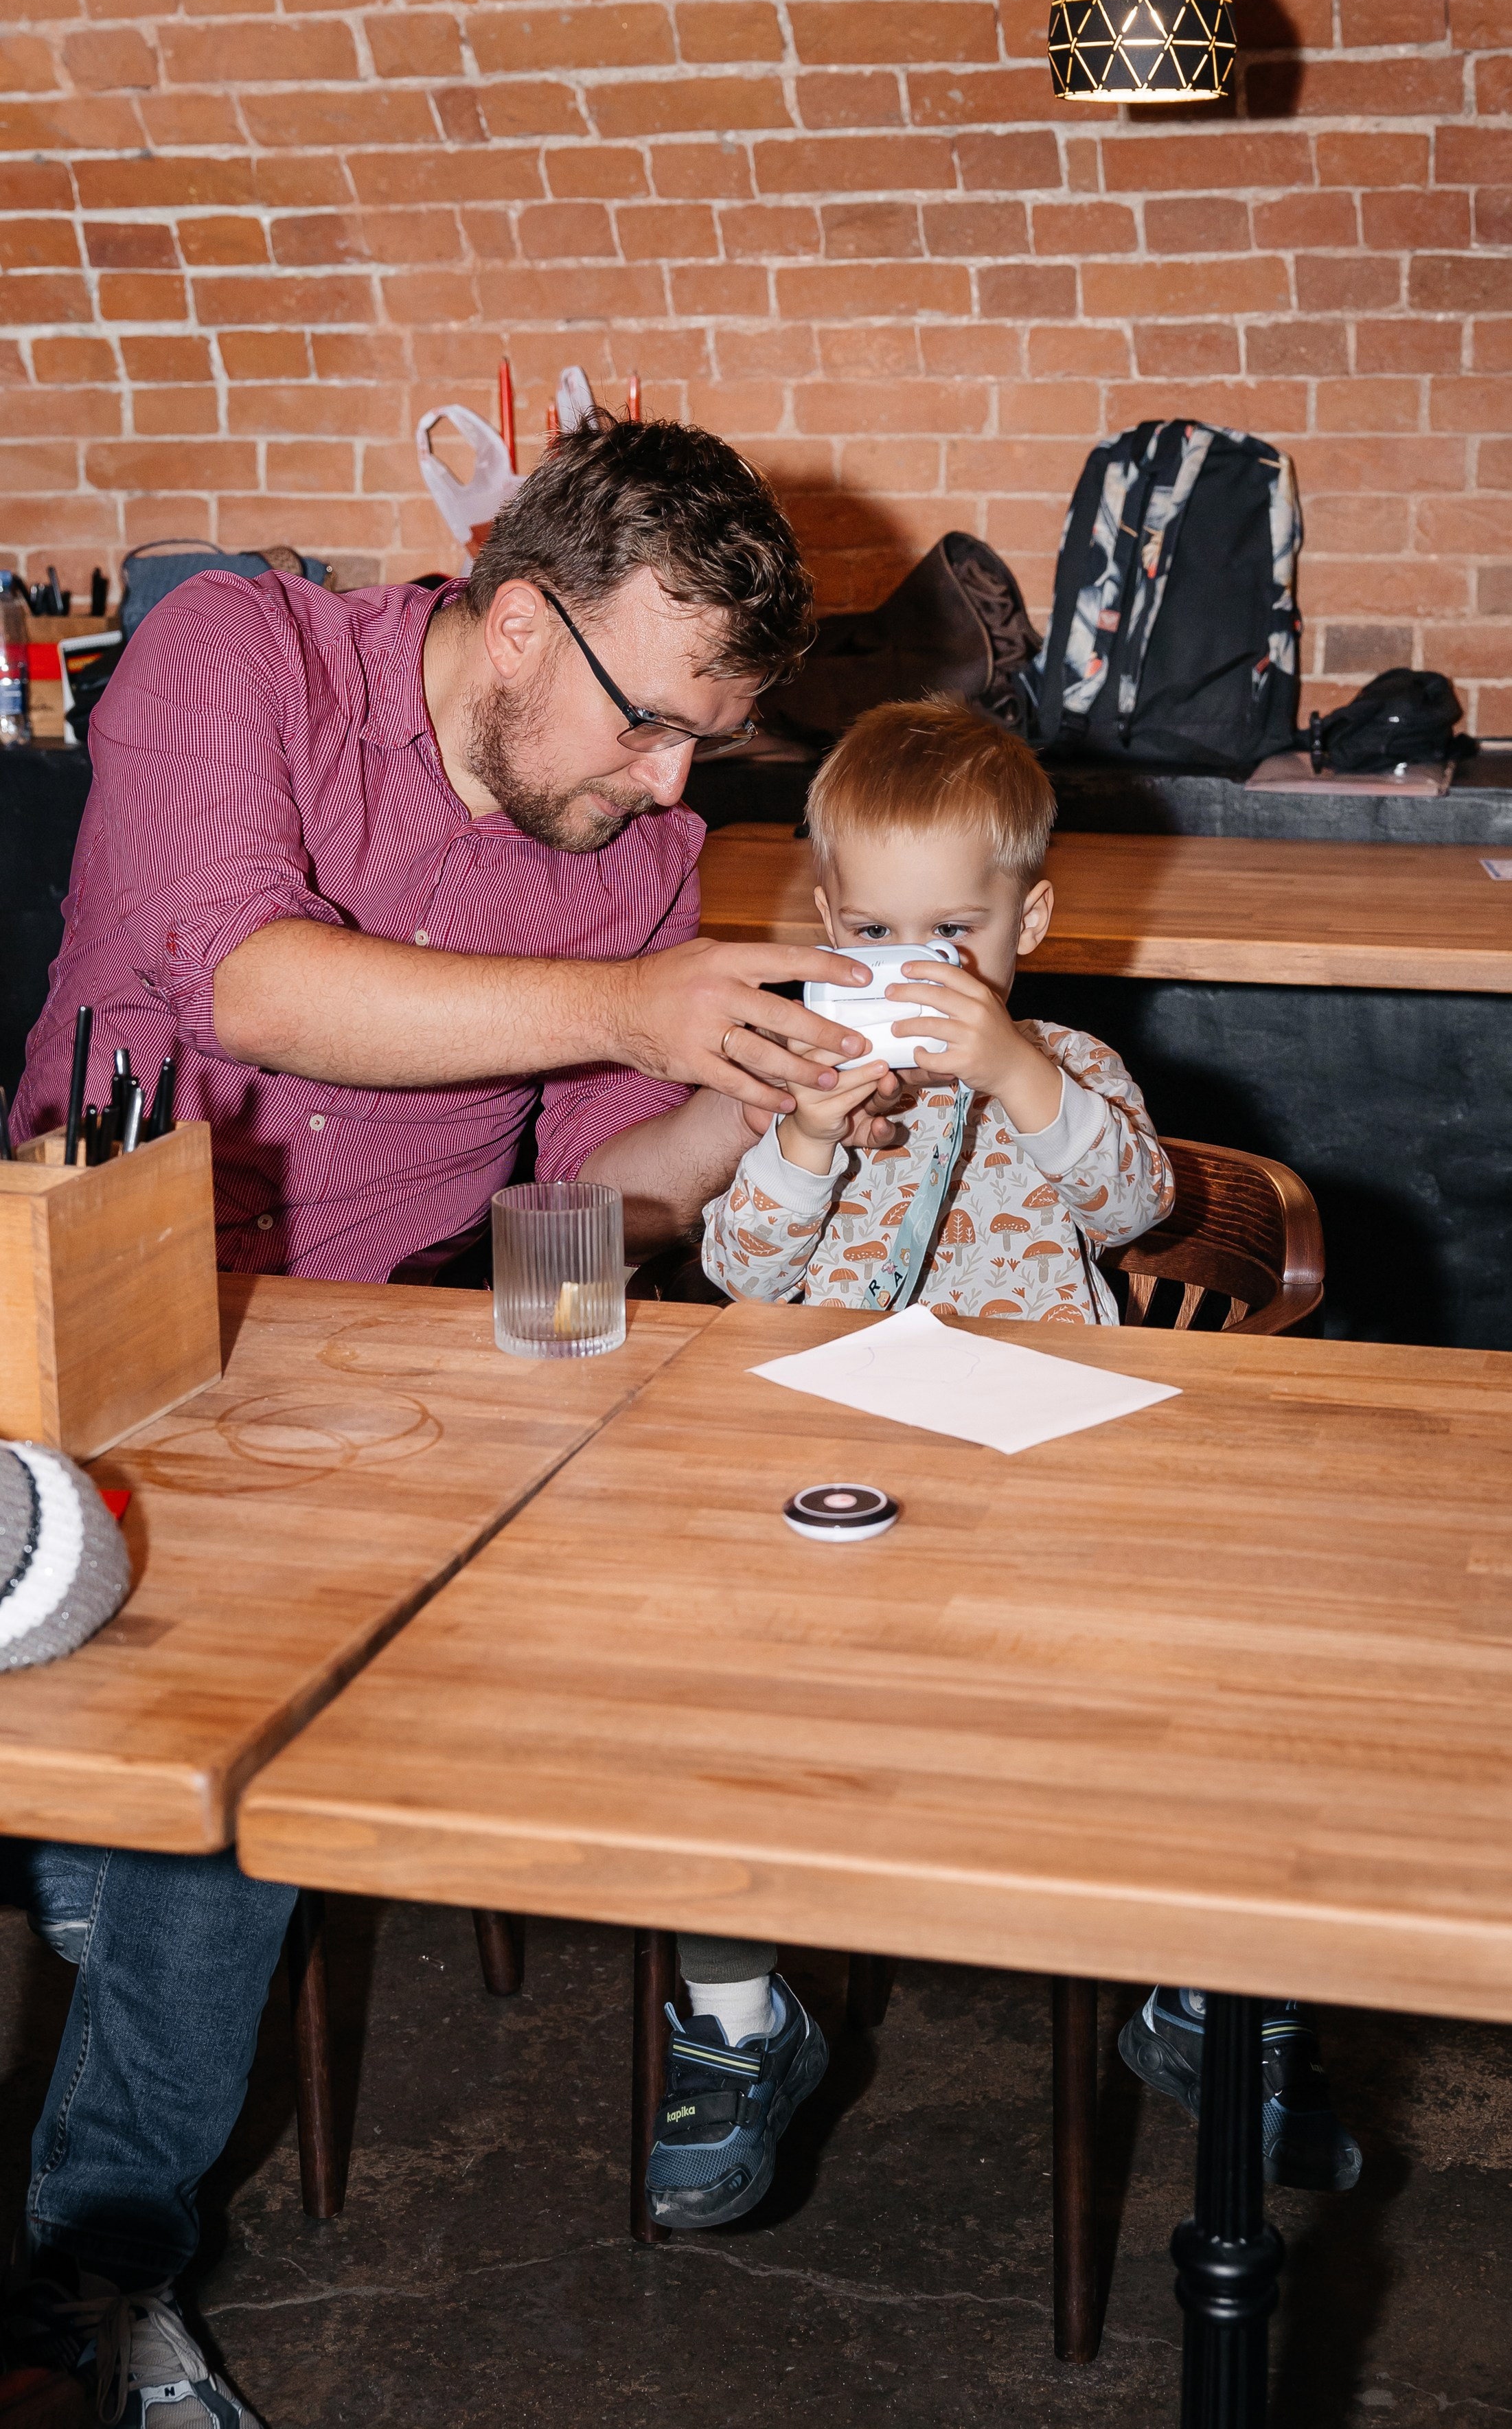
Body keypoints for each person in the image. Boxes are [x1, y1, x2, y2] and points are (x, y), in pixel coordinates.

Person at [3, 418, 895, 2428]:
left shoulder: (635, 853)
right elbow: (243, 984)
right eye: (654, 727)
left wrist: (752, 1089)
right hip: (78, 1325)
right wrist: (634, 1007)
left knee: (222, 1734)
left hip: (381, 1376)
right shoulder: (237, 652)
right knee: (178, 1743)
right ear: (514, 627)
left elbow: (613, 1191)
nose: (674, 789)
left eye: (706, 749)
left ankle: (94, 2274)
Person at [644, 698, 1358, 2231]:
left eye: (955, 931)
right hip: (835, 1471)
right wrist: (811, 1138)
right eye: (884, 927)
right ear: (831, 922)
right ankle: (736, 2016)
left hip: (1048, 1475)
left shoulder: (1072, 1062)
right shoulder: (808, 1069)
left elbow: (1134, 1197)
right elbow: (741, 1270)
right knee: (696, 1681)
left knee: (1226, 1670)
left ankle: (1206, 1989)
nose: (922, 966)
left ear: (1027, 918)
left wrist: (1016, 1066)